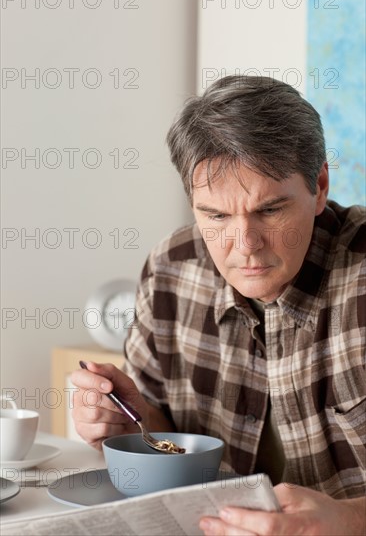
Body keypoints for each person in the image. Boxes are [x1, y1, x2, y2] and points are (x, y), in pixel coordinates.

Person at [71, 75, 365, 535]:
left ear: (320, 184)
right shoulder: (172, 269)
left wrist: (351, 519)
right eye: (216, 215)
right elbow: (161, 433)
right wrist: (128, 421)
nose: (244, 244)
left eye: (270, 210)